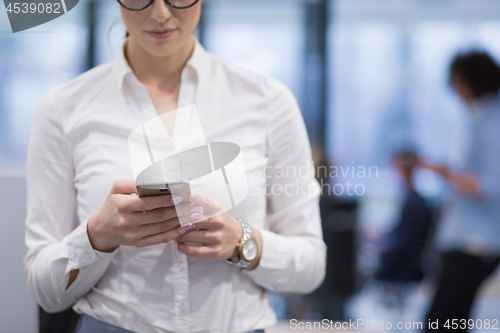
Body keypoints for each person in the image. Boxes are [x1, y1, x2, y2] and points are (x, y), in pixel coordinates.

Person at [23, 1, 327, 332]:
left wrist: (241, 241)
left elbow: (311, 266)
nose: (160, 14)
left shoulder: (267, 101)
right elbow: (44, 289)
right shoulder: (63, 109)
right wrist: (98, 236)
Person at [421, 51, 500, 332]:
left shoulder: (493, 123)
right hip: (469, 239)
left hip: (476, 242)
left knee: (440, 322)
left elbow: (492, 185)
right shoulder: (482, 120)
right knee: (452, 320)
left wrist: (447, 173)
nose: (453, 89)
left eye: (455, 81)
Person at [375, 150, 433, 283]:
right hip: (407, 261)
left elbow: (404, 243)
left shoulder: (414, 203)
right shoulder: (415, 200)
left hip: (404, 266)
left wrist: (382, 251)